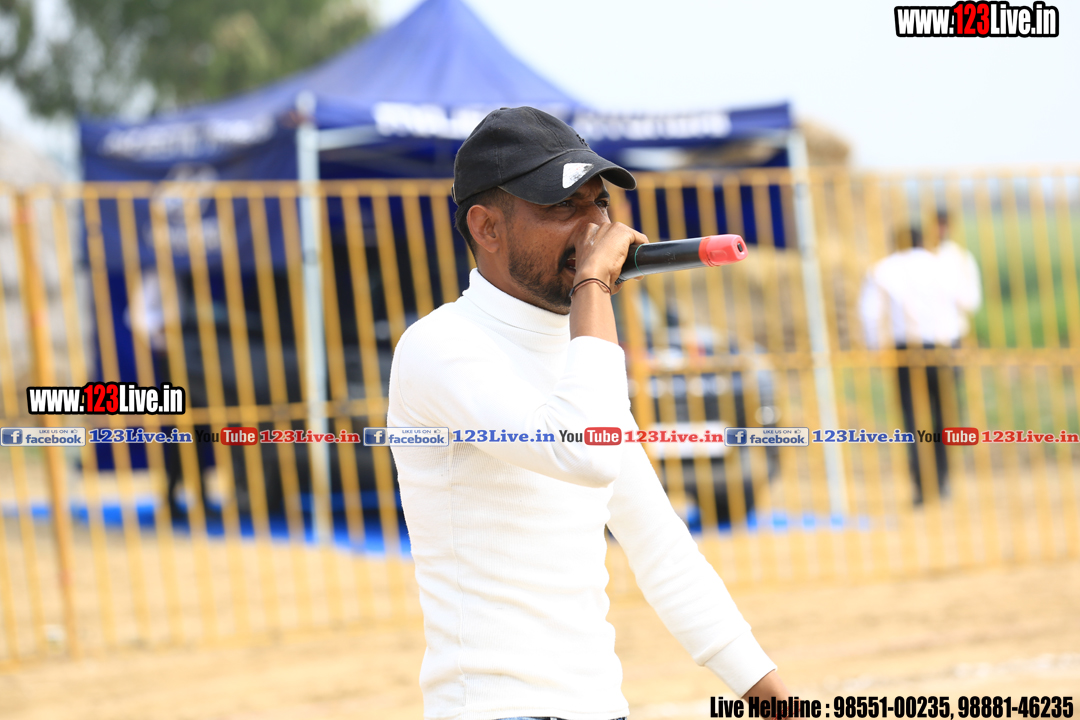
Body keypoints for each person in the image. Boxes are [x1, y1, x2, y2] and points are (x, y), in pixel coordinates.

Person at [387, 107, 788, 720]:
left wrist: (774, 698)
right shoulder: (440, 347)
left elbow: (660, 547)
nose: (597, 227)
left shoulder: (577, 355)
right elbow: (584, 453)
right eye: (563, 206)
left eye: (599, 203)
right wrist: (593, 288)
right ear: (487, 227)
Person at [858, 213, 981, 504]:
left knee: (913, 419)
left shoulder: (883, 269)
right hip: (945, 349)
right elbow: (969, 302)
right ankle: (943, 480)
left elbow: (869, 315)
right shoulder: (943, 265)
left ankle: (922, 486)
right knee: (945, 416)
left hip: (907, 352)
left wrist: (877, 349)